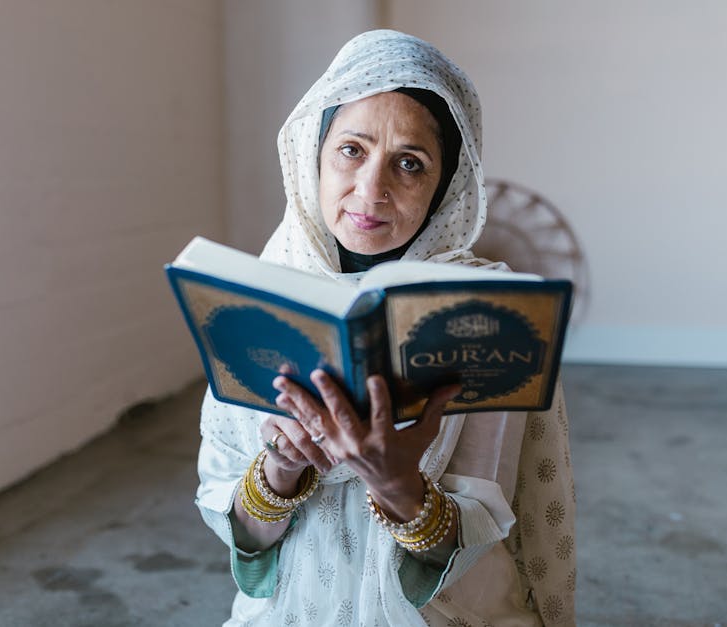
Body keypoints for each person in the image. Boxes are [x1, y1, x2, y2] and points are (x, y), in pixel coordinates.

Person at [196, 29, 576, 626]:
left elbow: (480, 533)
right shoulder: (257, 302)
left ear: (444, 188)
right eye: (351, 149)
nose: (371, 190)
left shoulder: (480, 316)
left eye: (409, 163)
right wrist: (281, 469)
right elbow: (243, 536)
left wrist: (400, 486)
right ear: (313, 156)